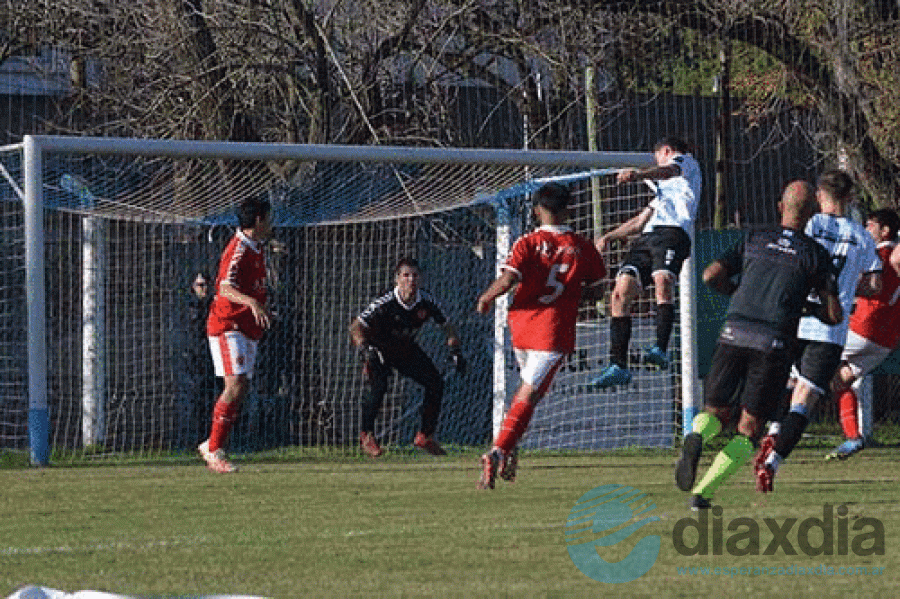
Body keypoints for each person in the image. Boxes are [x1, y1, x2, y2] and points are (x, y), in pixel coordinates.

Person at [675, 181, 841, 510]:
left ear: (781, 206)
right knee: (748, 430)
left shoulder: (755, 237)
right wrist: (808, 309)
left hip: (734, 331)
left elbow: (710, 275)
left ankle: (695, 438)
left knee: (715, 413)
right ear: (811, 215)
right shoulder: (815, 254)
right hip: (774, 343)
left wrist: (734, 293)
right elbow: (834, 314)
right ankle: (703, 493)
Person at [755, 170, 882, 492]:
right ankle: (773, 463)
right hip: (830, 328)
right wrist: (850, 283)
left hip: (795, 318)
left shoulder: (810, 225)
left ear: (819, 196)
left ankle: (772, 430)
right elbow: (875, 284)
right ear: (850, 199)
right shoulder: (863, 236)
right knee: (805, 397)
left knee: (786, 381)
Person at [475, 182, 606, 489]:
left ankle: (508, 450)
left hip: (521, 326)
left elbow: (508, 278)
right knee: (528, 396)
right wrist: (574, 295)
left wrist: (486, 297)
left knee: (525, 395)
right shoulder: (582, 246)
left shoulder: (527, 242)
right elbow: (599, 288)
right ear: (568, 209)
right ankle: (498, 451)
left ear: (537, 211)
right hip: (553, 332)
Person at [591, 136, 702, 389]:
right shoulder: (664, 194)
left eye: (657, 158)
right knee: (620, 292)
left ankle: (660, 348)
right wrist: (609, 236)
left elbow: (668, 170)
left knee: (662, 280)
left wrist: (638, 175)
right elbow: (640, 222)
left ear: (665, 151)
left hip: (673, 234)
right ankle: (618, 364)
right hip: (647, 238)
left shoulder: (686, 163)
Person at [349, 257, 465, 458]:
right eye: (405, 275)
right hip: (379, 348)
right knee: (379, 387)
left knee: (435, 382)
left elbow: (447, 326)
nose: (410, 280)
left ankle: (425, 436)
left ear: (421, 279)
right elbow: (356, 326)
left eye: (415, 275)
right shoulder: (385, 302)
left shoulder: (427, 302)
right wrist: (364, 349)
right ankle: (366, 435)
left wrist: (455, 351)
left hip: (404, 349)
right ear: (397, 279)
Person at [197, 197, 273, 473]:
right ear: (260, 219)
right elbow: (224, 288)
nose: (271, 223)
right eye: (269, 217)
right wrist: (252, 303)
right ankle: (214, 449)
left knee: (240, 388)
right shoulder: (238, 249)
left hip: (244, 328)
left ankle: (212, 445)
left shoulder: (257, 248)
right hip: (227, 325)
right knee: (235, 386)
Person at [825, 208, 900, 460]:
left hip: (862, 328)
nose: (867, 230)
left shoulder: (880, 254)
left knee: (801, 364)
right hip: (886, 340)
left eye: (870, 225)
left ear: (885, 231)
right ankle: (852, 438)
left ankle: (776, 430)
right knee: (840, 380)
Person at [173, 272, 215, 448]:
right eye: (199, 285)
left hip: (209, 357)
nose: (203, 289)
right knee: (192, 399)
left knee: (210, 399)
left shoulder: (213, 305)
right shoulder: (188, 307)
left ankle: (211, 439)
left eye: (206, 284)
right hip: (191, 359)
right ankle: (190, 441)